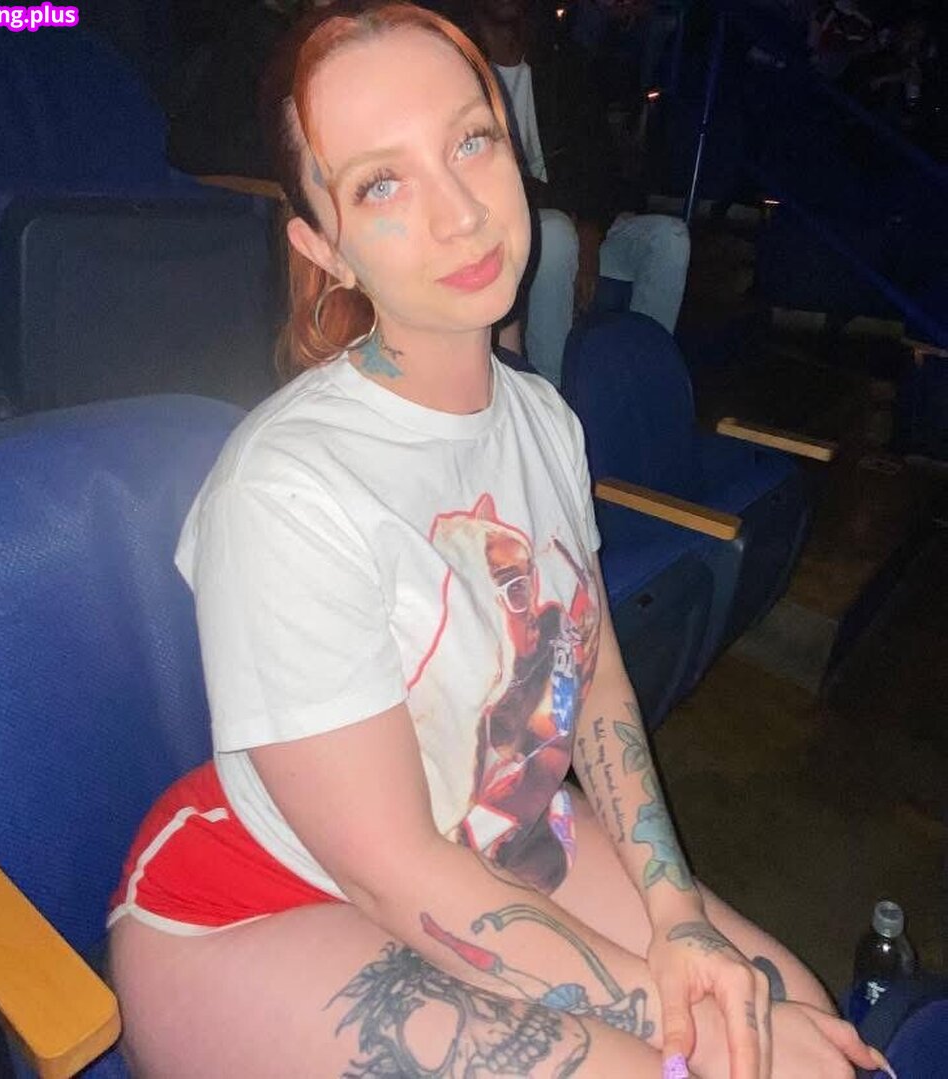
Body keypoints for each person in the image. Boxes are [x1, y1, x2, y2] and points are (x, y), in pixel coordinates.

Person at [107, 3, 893, 1075]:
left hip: (492, 835)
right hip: (259, 908)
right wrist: (676, 1010)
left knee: (791, 1004)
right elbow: (390, 866)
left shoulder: (541, 420)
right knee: (701, 1059)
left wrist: (680, 919)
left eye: (470, 141)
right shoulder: (284, 488)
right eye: (382, 184)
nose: (460, 212)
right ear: (324, 247)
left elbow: (595, 679)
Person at [468, 0, 690, 389]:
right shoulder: (460, 66)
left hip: (576, 221)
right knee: (555, 233)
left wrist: (591, 226)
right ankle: (553, 395)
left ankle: (641, 387)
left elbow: (599, 160)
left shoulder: (561, 61)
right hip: (509, 233)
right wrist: (567, 213)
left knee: (669, 239)